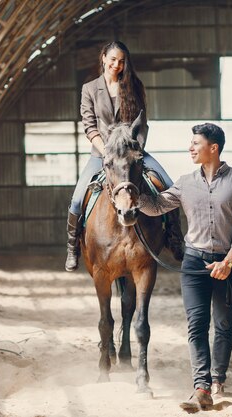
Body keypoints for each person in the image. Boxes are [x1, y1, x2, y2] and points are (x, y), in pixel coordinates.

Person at [138, 123, 232, 410]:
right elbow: (156, 206)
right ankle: (201, 387)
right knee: (196, 325)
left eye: (195, 143)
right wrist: (131, 197)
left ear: (213, 148)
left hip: (227, 262)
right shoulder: (185, 182)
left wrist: (229, 261)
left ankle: (218, 377)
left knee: (224, 324)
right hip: (194, 262)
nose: (190, 148)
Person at [65, 41, 184, 271]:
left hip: (132, 153)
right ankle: (72, 248)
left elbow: (142, 124)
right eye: (112, 60)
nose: (117, 65)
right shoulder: (89, 89)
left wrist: (133, 152)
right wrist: (108, 151)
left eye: (121, 61)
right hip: (102, 153)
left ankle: (174, 238)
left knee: (168, 185)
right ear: (103, 58)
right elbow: (90, 126)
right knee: (78, 199)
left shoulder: (134, 85)